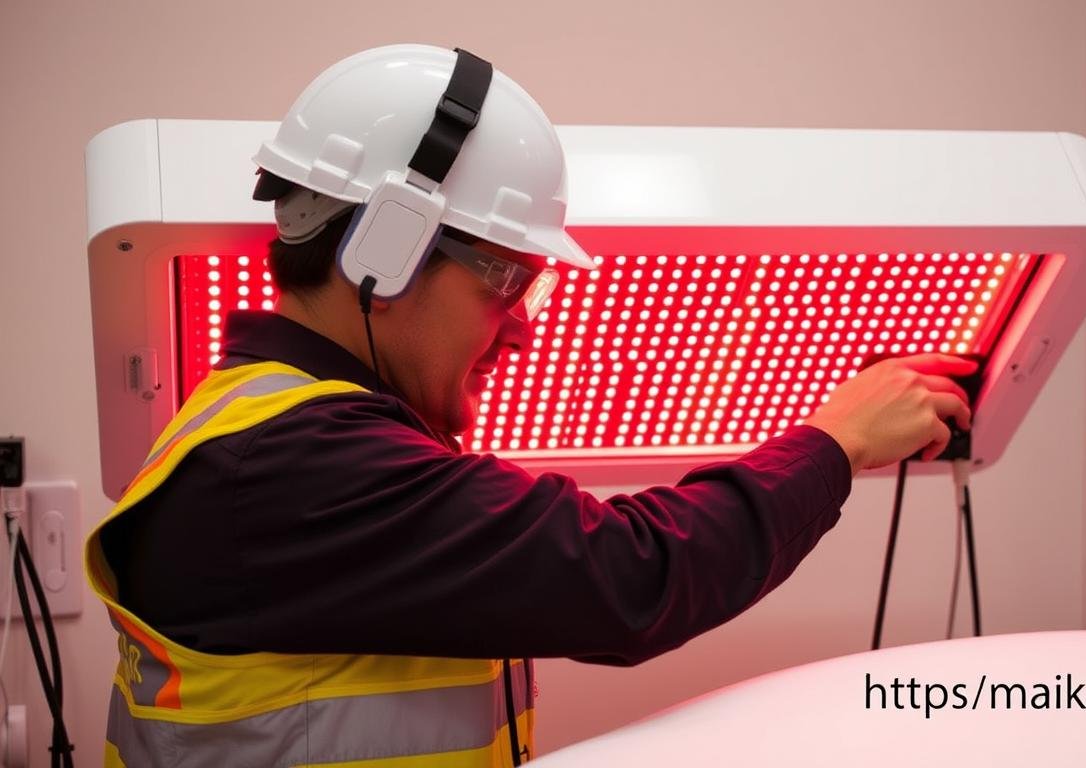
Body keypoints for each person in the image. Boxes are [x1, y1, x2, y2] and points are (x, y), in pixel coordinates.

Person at [84, 44, 975, 767]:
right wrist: (834, 442)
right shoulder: (301, 466)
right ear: (386, 248)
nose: (520, 334)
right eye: (508, 282)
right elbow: (636, 575)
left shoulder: (273, 435)